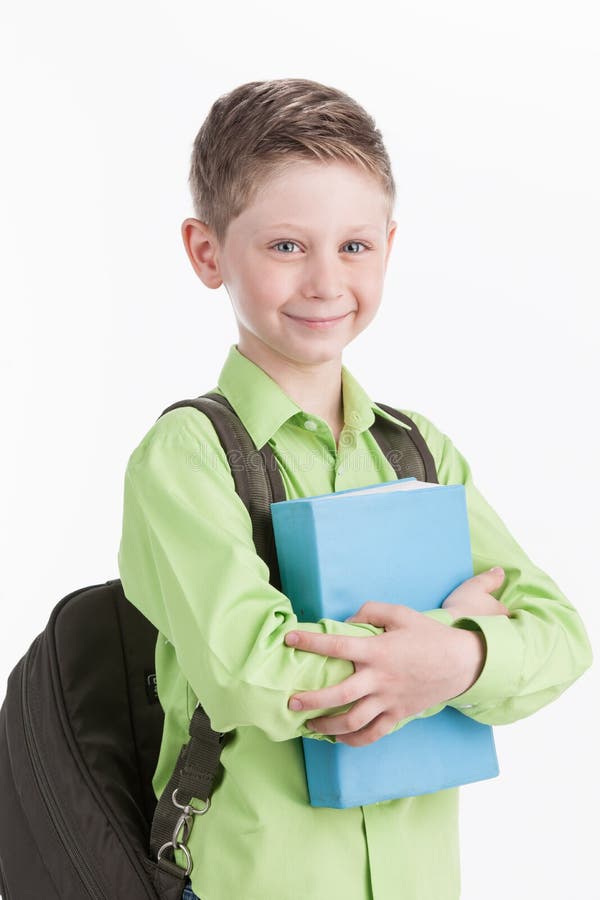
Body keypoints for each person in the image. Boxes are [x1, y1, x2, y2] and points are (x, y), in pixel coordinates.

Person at [117, 77, 593, 900]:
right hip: (253, 883)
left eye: (354, 246)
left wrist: (460, 655)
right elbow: (249, 671)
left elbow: (558, 637)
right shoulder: (187, 455)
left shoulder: (416, 449)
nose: (326, 282)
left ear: (389, 246)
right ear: (207, 252)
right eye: (286, 247)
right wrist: (434, 659)